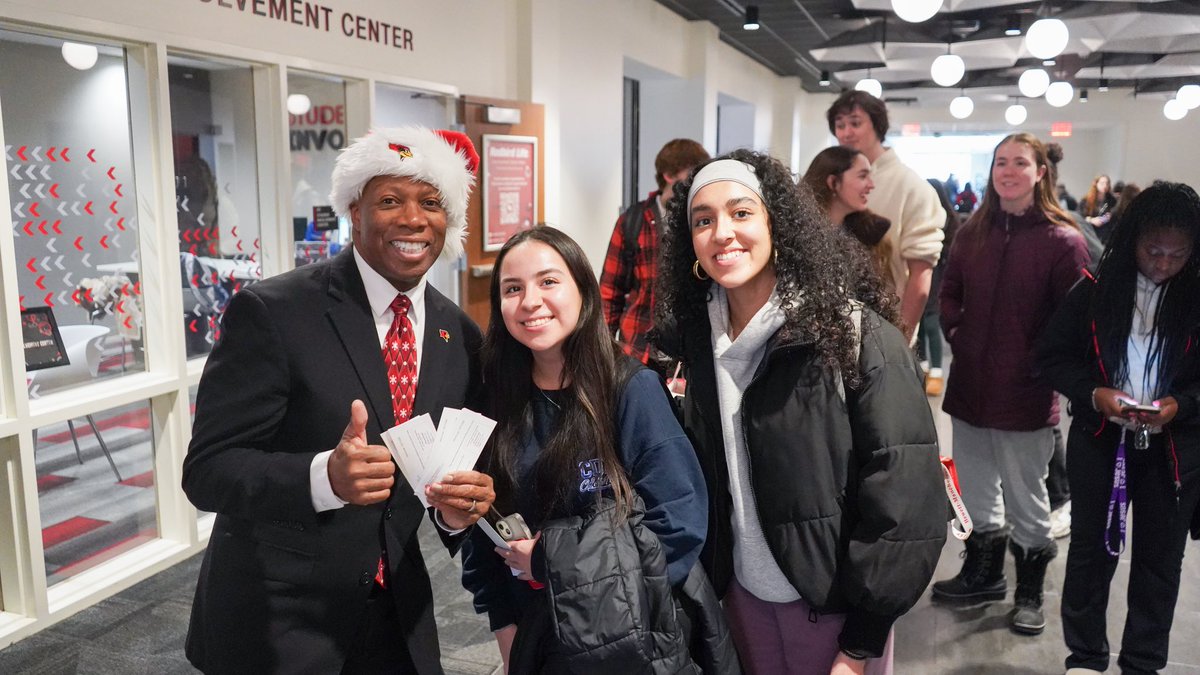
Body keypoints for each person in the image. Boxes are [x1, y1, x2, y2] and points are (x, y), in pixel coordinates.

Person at [182, 126, 497, 674]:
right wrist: (323, 478)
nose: (413, 219)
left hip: (397, 611)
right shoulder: (274, 312)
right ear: (355, 210)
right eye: (390, 200)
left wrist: (453, 515)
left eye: (431, 202)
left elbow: (437, 474)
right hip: (279, 618)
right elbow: (207, 472)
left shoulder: (460, 335)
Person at [655, 149, 947, 674]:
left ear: (777, 224)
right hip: (739, 603)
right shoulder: (690, 345)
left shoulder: (853, 335)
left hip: (835, 610)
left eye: (741, 213)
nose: (723, 232)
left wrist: (861, 642)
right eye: (704, 220)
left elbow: (906, 494)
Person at [461, 226, 712, 671]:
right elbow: (483, 533)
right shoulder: (493, 399)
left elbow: (678, 524)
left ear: (584, 290)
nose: (530, 301)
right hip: (534, 636)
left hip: (627, 634)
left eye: (548, 281)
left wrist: (549, 564)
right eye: (512, 288)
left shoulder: (631, 391)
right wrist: (505, 628)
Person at [1038, 181, 1200, 675]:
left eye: (1177, 254)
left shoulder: (1196, 297)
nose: (1163, 263)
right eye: (1153, 250)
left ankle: (1143, 663)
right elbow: (1050, 358)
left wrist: (1180, 404)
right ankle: (1085, 657)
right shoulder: (1094, 288)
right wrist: (1094, 394)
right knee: (1091, 553)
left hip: (1174, 451)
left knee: (1160, 560)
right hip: (1101, 441)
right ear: (1133, 239)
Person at [932, 133, 1091, 636]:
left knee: (1028, 499)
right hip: (970, 387)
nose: (1008, 170)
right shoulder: (971, 233)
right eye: (1001, 162)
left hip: (1025, 392)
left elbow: (1076, 316)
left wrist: (1040, 361)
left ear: (1040, 171)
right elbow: (949, 292)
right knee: (976, 494)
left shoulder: (1063, 241)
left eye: (1020, 162)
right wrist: (957, 330)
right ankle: (982, 575)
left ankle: (1028, 592)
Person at [827, 91, 944, 341]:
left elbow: (921, 276)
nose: (847, 132)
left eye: (856, 123)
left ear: (877, 126)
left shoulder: (912, 186)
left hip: (883, 329)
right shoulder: (831, 179)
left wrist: (901, 341)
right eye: (840, 124)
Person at [599, 138, 709, 374]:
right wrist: (602, 349)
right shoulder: (633, 221)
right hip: (639, 349)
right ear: (669, 175)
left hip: (690, 353)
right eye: (692, 171)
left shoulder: (700, 220)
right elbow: (609, 291)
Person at [800, 145, 893, 293]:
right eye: (863, 176)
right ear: (833, 182)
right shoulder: (797, 236)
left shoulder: (867, 234)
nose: (871, 185)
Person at [918, 178, 958, 397]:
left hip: (938, 279)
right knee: (920, 324)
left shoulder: (950, 222)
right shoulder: (919, 218)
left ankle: (936, 372)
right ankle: (923, 368)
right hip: (920, 276)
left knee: (932, 324)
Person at [1081, 174, 1118, 243]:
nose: (1105, 186)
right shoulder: (1086, 200)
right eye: (1102, 183)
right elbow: (1080, 216)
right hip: (1089, 232)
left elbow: (1113, 214)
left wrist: (1105, 219)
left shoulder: (1112, 200)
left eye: (1107, 183)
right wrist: (1091, 220)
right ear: (1096, 184)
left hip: (1104, 234)